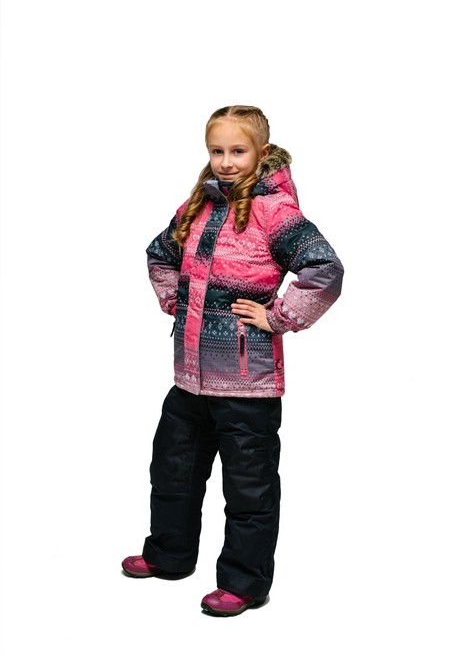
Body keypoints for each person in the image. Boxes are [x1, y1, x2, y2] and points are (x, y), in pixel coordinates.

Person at [122, 105, 344, 616]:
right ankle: (170, 554)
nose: (226, 161)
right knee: (173, 470)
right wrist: (175, 301)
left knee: (249, 488)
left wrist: (279, 316)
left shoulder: (275, 212)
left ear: (261, 152)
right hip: (189, 380)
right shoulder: (197, 206)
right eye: (217, 151)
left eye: (237, 151)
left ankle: (245, 583)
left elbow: (325, 269)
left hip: (247, 385)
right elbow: (159, 253)